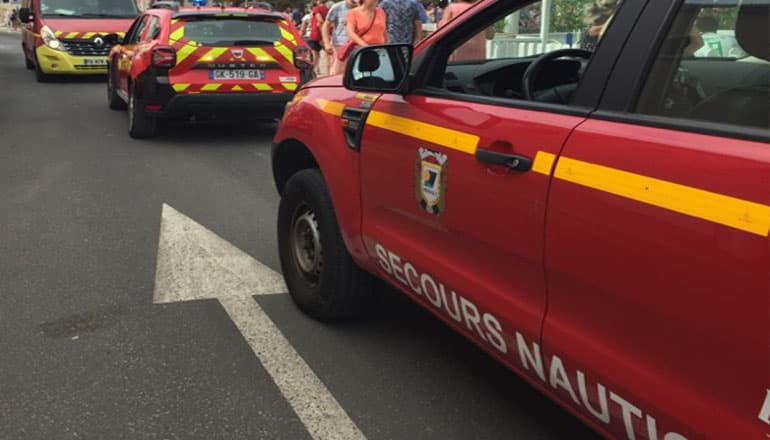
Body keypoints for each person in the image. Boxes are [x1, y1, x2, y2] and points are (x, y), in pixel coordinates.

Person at [322, 0, 358, 75]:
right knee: (338, 73)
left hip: (358, 44)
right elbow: (326, 25)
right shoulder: (337, 7)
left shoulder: (364, 7)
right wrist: (326, 43)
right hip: (340, 45)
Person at [308, 0, 330, 75]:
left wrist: (322, 34)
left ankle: (314, 71)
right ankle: (328, 72)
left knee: (315, 54)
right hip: (326, 34)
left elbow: (320, 20)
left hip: (316, 34)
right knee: (327, 55)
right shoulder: (327, 9)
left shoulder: (316, 9)